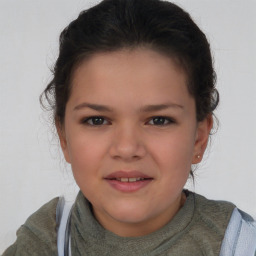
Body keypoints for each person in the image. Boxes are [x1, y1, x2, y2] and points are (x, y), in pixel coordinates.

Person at [2, 0, 256, 255]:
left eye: (159, 120)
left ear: (199, 138)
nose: (126, 148)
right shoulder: (43, 240)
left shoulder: (242, 244)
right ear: (64, 137)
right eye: (97, 120)